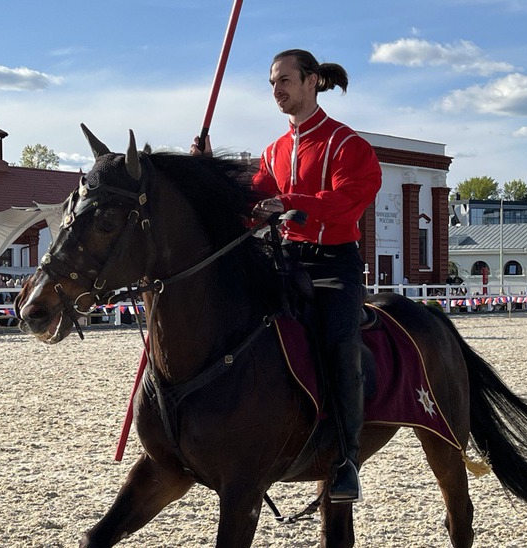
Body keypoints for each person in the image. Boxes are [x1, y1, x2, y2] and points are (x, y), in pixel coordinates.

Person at [193, 49, 382, 503]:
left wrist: (293, 201)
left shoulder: (347, 144)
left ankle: (346, 459)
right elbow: (249, 202)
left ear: (312, 81)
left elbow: (351, 200)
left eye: (285, 81)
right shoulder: (273, 151)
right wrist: (208, 171)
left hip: (334, 263)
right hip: (285, 259)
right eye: (272, 83)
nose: (277, 90)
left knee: (340, 345)